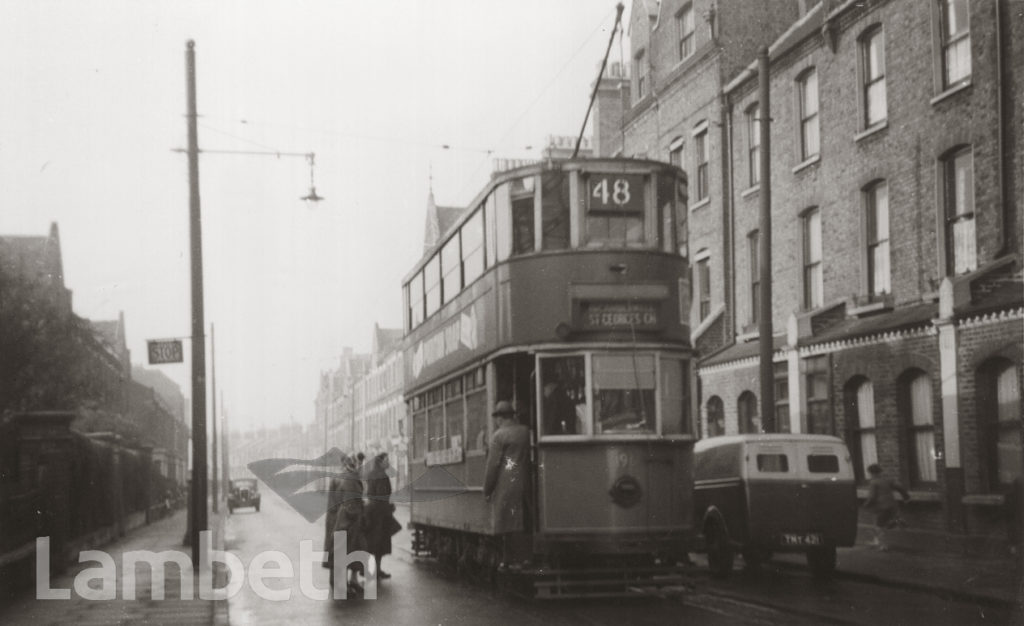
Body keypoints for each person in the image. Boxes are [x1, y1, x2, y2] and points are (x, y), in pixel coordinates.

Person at [483, 400, 531, 564]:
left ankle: (508, 562)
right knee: (524, 522)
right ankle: (526, 559)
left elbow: (492, 466)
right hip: (526, 483)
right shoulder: (526, 432)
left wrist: (487, 490)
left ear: (499, 418)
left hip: (506, 486)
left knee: (507, 526)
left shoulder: (498, 436)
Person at [325, 453, 368, 594]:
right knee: (344, 550)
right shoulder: (350, 478)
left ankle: (348, 581)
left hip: (339, 518)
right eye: (359, 464)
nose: (362, 467)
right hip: (348, 521)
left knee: (347, 549)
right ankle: (340, 584)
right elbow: (351, 503)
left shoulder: (343, 476)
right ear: (354, 465)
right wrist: (360, 509)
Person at [863, 463, 910, 551]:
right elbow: (900, 487)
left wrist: (866, 504)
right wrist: (906, 497)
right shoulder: (888, 480)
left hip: (882, 507)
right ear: (880, 472)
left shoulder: (873, 482)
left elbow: (872, 497)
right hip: (892, 506)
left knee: (879, 526)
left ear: (871, 473)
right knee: (880, 522)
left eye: (870, 473)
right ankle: (896, 521)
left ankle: (882, 545)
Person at [363, 452, 396, 580]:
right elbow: (382, 496)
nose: (389, 462)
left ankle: (372, 570)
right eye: (387, 460)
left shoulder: (371, 474)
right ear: (381, 461)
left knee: (372, 543)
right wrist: (390, 507)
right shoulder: (382, 476)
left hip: (371, 511)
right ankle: (376, 570)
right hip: (380, 514)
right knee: (379, 544)